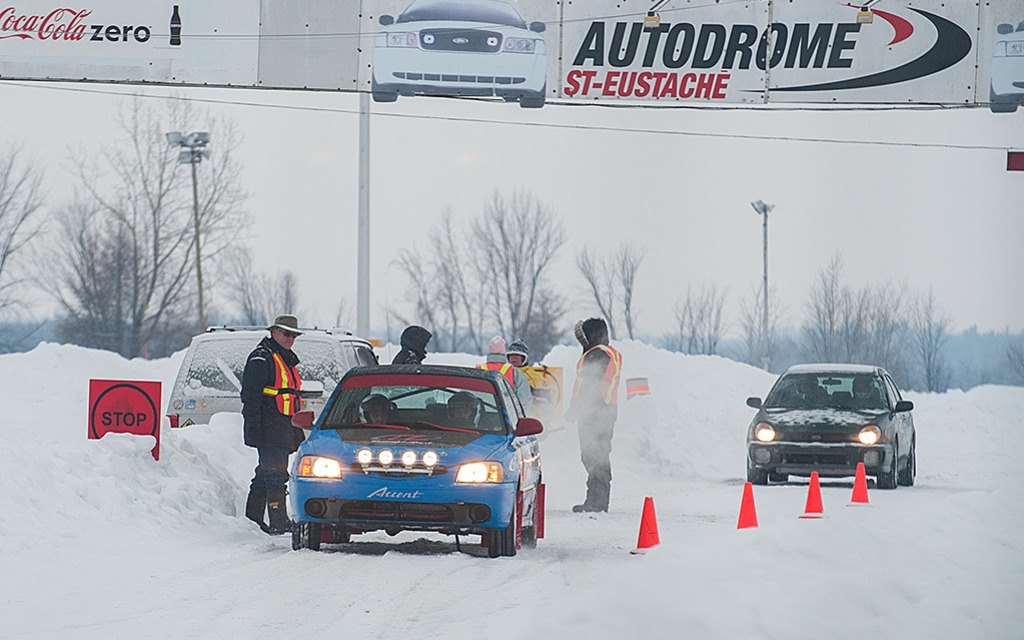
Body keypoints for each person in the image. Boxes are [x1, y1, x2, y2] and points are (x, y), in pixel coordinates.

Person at [241, 313, 306, 535]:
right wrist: (254, 425)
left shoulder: (284, 358)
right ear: (274, 332)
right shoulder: (262, 358)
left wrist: (296, 428)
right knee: (276, 473)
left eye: (293, 335)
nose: (290, 338)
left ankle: (253, 520)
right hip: (269, 425)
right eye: (286, 333)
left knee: (265, 473)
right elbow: (251, 396)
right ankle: (279, 521)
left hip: (284, 425)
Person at [566, 317, 622, 513]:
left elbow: (589, 385)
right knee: (598, 454)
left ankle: (596, 502)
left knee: (593, 455)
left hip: (595, 412)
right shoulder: (609, 353)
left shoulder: (596, 355)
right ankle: (598, 500)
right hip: (606, 410)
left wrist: (575, 409)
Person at [478, 336, 533, 414]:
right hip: (506, 419)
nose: (514, 357)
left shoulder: (478, 369)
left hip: (482, 417)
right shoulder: (515, 372)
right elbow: (524, 400)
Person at [506, 339, 555, 415]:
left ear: (524, 358)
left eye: (516, 355)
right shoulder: (503, 375)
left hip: (533, 419)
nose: (513, 358)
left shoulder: (535, 377)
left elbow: (547, 399)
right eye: (511, 355)